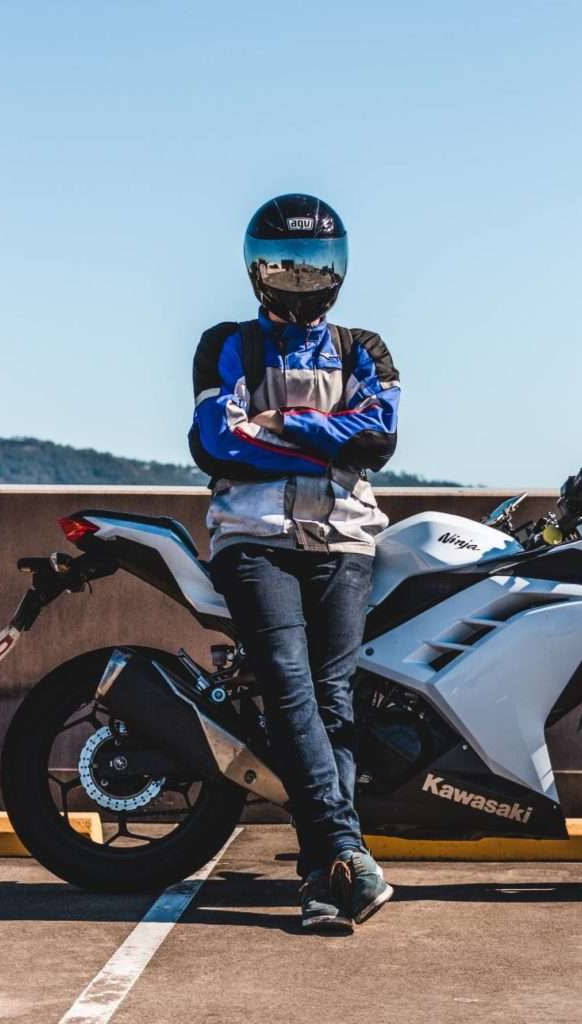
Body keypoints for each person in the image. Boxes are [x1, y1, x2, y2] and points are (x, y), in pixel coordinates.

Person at [188, 194, 401, 931]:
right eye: (292, 264)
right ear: (259, 268)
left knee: (335, 700)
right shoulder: (226, 344)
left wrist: (278, 423)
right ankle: (347, 851)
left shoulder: (363, 347)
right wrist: (327, 434)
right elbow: (215, 443)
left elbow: (377, 439)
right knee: (288, 686)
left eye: (320, 265)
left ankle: (323, 881)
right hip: (253, 540)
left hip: (343, 539)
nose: (306, 279)